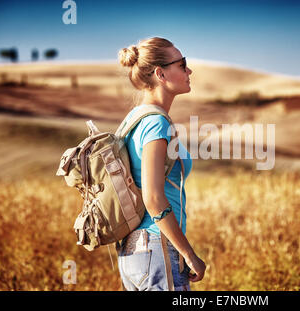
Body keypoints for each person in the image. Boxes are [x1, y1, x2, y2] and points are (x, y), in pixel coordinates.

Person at [116, 37, 206, 291]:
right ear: (161, 73)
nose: (189, 71)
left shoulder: (135, 119)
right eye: (182, 64)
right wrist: (188, 253)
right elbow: (154, 198)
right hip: (158, 249)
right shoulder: (157, 124)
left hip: (132, 254)